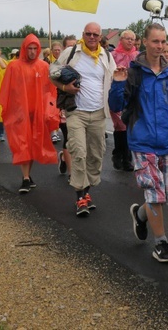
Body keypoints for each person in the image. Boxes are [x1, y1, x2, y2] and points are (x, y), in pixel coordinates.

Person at [109, 23, 168, 262]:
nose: (160, 46)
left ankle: (141, 215)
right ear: (145, 42)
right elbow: (116, 106)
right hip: (142, 142)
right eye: (155, 41)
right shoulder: (134, 72)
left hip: (166, 142)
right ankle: (161, 243)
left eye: (163, 41)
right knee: (155, 191)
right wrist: (117, 84)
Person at [54, 23, 116, 216]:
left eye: (95, 34)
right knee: (79, 152)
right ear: (83, 34)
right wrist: (66, 88)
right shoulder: (71, 53)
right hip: (76, 112)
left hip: (98, 113)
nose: (91, 37)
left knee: (96, 155)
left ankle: (87, 192)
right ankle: (80, 197)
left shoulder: (106, 56)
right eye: (88, 34)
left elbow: (113, 77)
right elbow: (52, 74)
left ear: (100, 37)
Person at [0, 34, 60, 193]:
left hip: (37, 112)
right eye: (29, 48)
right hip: (20, 112)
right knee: (22, 143)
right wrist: (12, 109)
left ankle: (28, 175)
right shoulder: (14, 66)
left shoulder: (43, 66)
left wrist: (50, 109)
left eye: (35, 48)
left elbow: (50, 91)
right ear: (24, 49)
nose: (32, 52)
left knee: (33, 144)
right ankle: (25, 178)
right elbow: (8, 89)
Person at [110, 29, 139, 171]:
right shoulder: (113, 55)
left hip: (131, 95)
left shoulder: (137, 56)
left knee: (128, 126)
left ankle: (127, 159)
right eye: (126, 38)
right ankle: (118, 154)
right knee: (120, 125)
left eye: (132, 39)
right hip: (117, 94)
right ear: (120, 40)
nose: (129, 41)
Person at [57, 35, 77, 176]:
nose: (72, 49)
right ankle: (72, 173)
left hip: (80, 107)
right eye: (69, 46)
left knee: (78, 140)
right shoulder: (57, 65)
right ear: (64, 48)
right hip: (63, 105)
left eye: (74, 46)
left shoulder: (82, 63)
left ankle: (64, 157)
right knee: (68, 137)